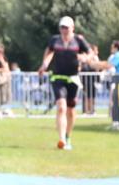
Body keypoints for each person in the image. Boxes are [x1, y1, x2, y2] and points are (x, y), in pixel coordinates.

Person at [38, 16, 91, 150]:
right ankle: (61, 139)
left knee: (71, 110)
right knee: (61, 107)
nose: (64, 30)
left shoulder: (79, 40)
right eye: (62, 27)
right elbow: (49, 51)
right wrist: (44, 64)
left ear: (72, 27)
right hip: (57, 77)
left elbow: (90, 53)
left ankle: (68, 136)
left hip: (73, 78)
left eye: (66, 27)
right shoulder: (55, 40)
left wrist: (84, 58)